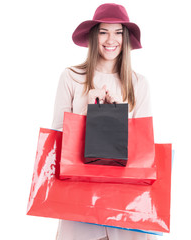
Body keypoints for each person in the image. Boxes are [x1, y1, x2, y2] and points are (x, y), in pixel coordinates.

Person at [51, 3, 156, 240]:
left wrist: (117, 114)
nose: (112, 39)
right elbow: (57, 137)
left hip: (124, 205)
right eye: (103, 31)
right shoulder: (71, 77)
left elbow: (144, 150)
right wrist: (86, 111)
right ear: (93, 36)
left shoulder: (139, 83)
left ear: (126, 38)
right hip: (79, 200)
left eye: (118, 32)